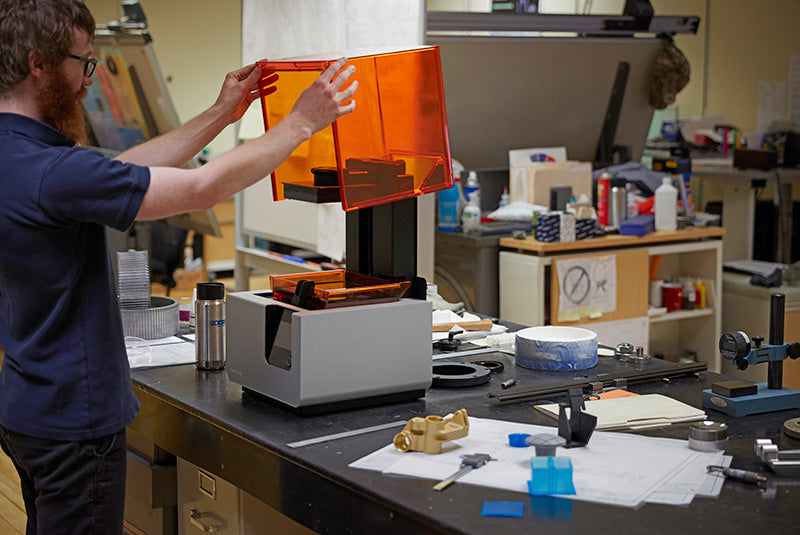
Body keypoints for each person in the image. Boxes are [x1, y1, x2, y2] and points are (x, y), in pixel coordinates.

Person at [0, 0, 358, 533]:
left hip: (26, 405)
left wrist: (221, 114)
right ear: (38, 64)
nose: (88, 80)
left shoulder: (20, 157)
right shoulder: (51, 171)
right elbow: (201, 187)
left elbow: (119, 171)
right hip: (75, 419)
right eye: (83, 62)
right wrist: (302, 122)